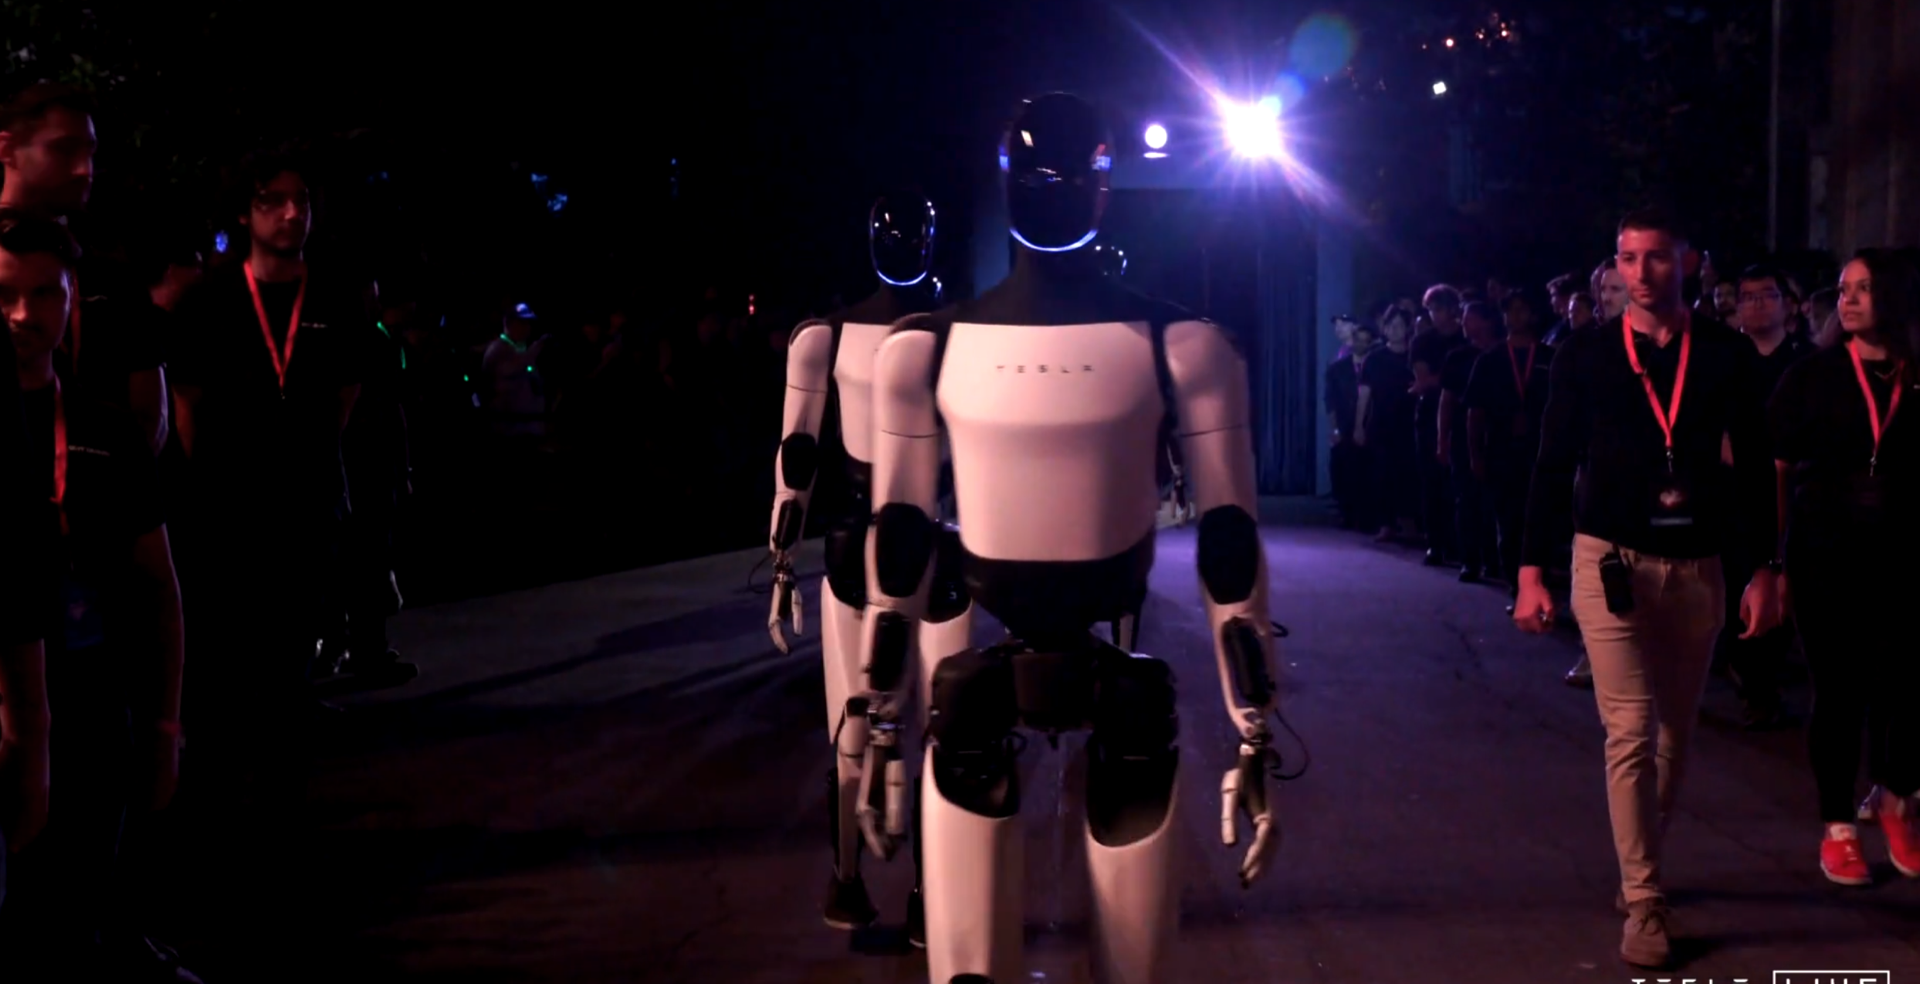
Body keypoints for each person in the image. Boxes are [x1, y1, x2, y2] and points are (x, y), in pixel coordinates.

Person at [1513, 209, 1781, 968]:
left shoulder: (1725, 354)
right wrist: (1532, 572)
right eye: (1627, 259)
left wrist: (1766, 567)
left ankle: (1640, 870)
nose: (1640, 274)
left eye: (1656, 258)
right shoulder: (1588, 354)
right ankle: (1646, 899)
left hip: (1698, 563)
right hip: (1611, 561)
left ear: (1688, 262)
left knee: (1675, 736)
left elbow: (1757, 470)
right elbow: (1551, 461)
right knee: (1628, 730)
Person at [0, 210, 196, 980]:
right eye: (6, 293)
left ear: (73, 298)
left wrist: (165, 723)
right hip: (9, 712)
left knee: (80, 908)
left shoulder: (105, 431)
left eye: (45, 293)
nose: (23, 314)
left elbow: (160, 587)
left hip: (88, 705)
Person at [168, 150, 363, 820]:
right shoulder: (210, 297)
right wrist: (204, 485)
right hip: (226, 512)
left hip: (304, 508)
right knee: (219, 671)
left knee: (288, 672)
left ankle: (281, 816)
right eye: (273, 201)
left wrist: (312, 462)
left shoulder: (336, 295)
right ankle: (210, 813)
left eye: (300, 201)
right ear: (246, 211)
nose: (290, 214)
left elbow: (345, 390)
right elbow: (186, 399)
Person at [1767, 247, 1920, 886]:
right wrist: (1773, 561)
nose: (1849, 299)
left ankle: (1895, 795)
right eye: (1843, 288)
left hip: (1906, 553)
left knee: (1906, 685)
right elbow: (1775, 467)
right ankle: (1837, 827)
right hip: (1826, 552)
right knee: (1839, 689)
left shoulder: (1918, 375)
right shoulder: (1813, 375)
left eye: (1863, 287)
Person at [0, 85, 168, 456]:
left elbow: (150, 422)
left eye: (90, 153)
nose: (84, 170)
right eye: (63, 150)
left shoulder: (115, 278)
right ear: (7, 149)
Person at [1717, 264, 1814, 728]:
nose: (1756, 304)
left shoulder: (1807, 361)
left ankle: (1767, 674)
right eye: (1747, 296)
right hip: (1738, 486)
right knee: (1739, 578)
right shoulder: (1726, 359)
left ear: (1787, 304)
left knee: (1785, 579)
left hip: (1797, 485)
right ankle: (1751, 678)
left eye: (1767, 295)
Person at [1466, 291, 1553, 605]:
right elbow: (1475, 412)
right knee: (1509, 522)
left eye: (1522, 310)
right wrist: (1475, 455)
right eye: (1510, 311)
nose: (1515, 317)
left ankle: (1540, 584)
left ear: (1532, 315)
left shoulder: (1548, 357)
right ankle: (1518, 589)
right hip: (1501, 454)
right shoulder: (1489, 360)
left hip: (1541, 455)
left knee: (1540, 522)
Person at [1440, 301, 1500, 583]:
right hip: (1463, 438)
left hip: (1498, 437)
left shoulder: (1502, 353)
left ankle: (1494, 559)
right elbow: (1447, 401)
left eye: (1469, 318)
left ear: (1486, 321)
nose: (1463, 324)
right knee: (1466, 500)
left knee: (1495, 502)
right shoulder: (1457, 357)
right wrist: (1442, 439)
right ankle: (1470, 561)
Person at [1411, 285, 1466, 565]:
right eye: (1430, 309)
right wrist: (1448, 380)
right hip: (1429, 415)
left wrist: (1440, 380)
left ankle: (1460, 544)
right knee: (1431, 481)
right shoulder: (1422, 341)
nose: (1433, 314)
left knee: (1460, 484)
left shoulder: (1464, 338)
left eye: (1438, 308)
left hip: (1463, 414)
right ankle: (1435, 543)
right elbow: (1423, 381)